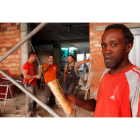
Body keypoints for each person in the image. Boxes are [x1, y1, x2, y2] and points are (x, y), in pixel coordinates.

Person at [65, 24, 140, 117]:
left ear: (128, 47)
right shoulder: (106, 73)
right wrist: (74, 100)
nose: (106, 51)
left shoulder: (137, 80)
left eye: (113, 44)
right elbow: (97, 103)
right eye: (104, 45)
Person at [22, 52, 41, 117]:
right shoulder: (26, 65)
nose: (35, 58)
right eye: (35, 57)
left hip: (34, 83)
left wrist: (38, 75)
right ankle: (28, 114)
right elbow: (25, 75)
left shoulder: (32, 64)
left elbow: (33, 74)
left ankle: (33, 110)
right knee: (29, 99)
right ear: (31, 57)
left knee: (35, 98)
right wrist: (36, 76)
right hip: (29, 84)